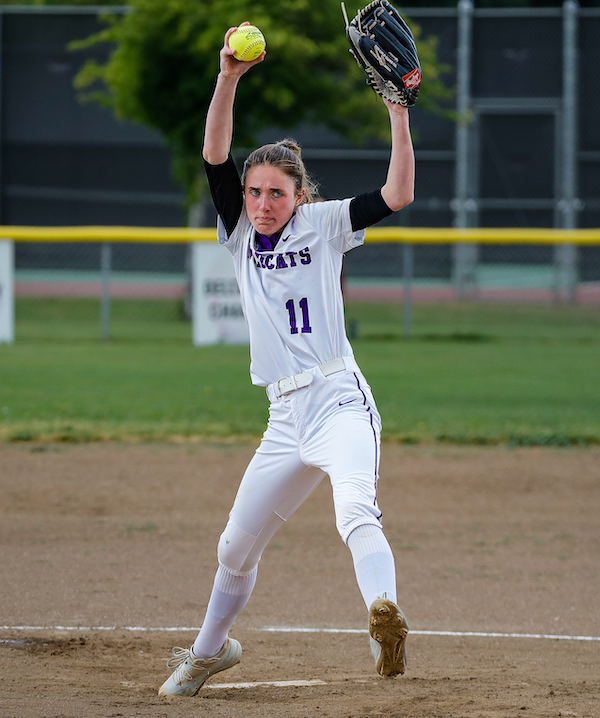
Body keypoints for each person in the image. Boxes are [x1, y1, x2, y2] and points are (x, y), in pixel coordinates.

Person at [158, 21, 415, 697]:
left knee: (354, 510)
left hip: (338, 401)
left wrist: (397, 111)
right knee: (234, 549)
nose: (264, 202)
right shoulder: (240, 234)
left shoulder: (325, 224)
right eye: (255, 191)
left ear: (300, 194)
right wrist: (228, 77)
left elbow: (397, 195)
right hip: (283, 418)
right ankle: (208, 653)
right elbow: (215, 153)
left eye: (277, 191)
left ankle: (384, 617)